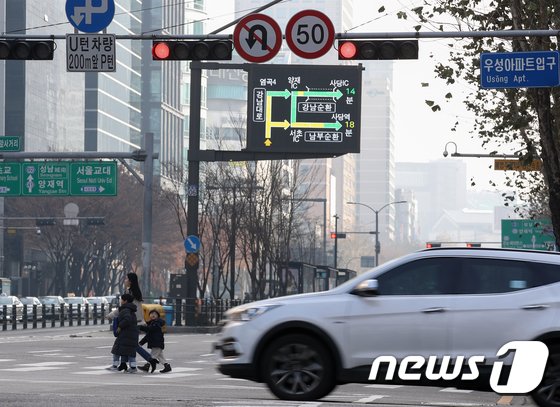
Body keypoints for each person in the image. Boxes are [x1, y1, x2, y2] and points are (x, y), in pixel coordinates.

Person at [107, 272, 158, 372]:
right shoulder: (131, 291)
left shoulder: (132, 293)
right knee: (126, 343)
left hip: (134, 322)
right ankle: (123, 364)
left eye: (126, 279)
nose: (125, 280)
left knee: (132, 345)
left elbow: (125, 308)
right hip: (134, 321)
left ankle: (150, 360)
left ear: (130, 281)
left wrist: (111, 315)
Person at [110, 293, 139, 373]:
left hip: (126, 334)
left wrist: (120, 326)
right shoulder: (130, 309)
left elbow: (127, 319)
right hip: (131, 334)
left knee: (116, 349)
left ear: (125, 301)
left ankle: (115, 365)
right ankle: (132, 367)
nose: (120, 301)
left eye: (121, 299)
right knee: (129, 351)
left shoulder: (125, 310)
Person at [138, 309, 172, 373]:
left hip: (157, 343)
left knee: (152, 356)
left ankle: (147, 366)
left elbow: (149, 330)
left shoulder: (156, 323)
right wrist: (141, 343)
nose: (153, 315)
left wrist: (140, 327)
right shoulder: (152, 323)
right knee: (160, 356)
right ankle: (167, 366)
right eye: (151, 314)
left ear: (158, 316)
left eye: (155, 314)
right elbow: (148, 336)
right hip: (156, 343)